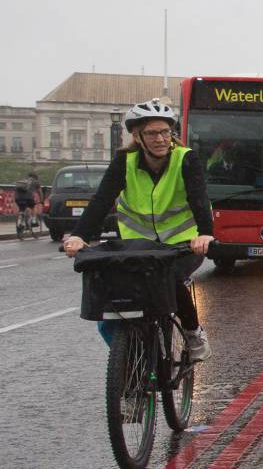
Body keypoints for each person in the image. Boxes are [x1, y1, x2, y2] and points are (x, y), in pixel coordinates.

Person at [63, 98, 215, 362]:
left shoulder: (185, 159)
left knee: (169, 276)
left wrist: (205, 234)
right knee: (116, 287)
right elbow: (101, 200)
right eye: (152, 133)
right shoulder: (125, 161)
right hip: (138, 243)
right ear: (137, 136)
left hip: (182, 242)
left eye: (166, 131)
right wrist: (79, 235)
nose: (161, 139)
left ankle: (193, 333)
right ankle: (131, 355)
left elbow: (199, 199)